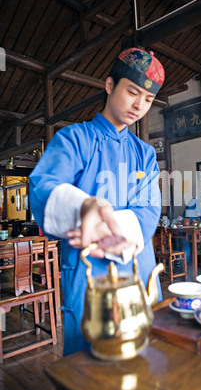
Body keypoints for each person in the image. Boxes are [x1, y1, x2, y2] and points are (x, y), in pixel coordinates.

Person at [29, 48, 165, 356]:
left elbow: (148, 210)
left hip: (137, 269)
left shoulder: (144, 153)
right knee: (88, 369)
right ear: (109, 85)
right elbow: (42, 187)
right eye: (132, 92)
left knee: (147, 365)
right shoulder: (74, 139)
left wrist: (115, 230)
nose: (139, 105)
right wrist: (84, 207)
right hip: (89, 274)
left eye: (148, 99)